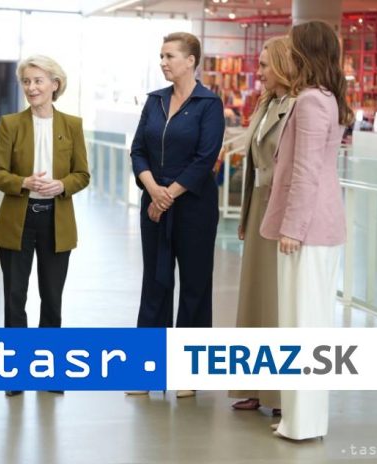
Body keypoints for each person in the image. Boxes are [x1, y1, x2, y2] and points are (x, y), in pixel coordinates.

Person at [260, 21, 352, 441]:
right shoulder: (323, 97)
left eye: (294, 47)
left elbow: (306, 171)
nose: (289, 53)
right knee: (302, 325)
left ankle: (304, 422)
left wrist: (293, 228)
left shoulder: (313, 101)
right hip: (315, 226)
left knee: (304, 326)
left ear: (306, 53)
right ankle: (298, 419)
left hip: (309, 229)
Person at [0, 55, 90, 397]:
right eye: (27, 82)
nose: (31, 88)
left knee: (52, 297)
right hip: (18, 221)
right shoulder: (10, 124)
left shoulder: (72, 125)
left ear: (54, 84)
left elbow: (82, 174)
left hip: (56, 220)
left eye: (38, 81)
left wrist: (62, 185)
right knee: (14, 297)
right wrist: (23, 182)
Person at [128, 32, 224, 398]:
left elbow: (205, 158)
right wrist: (153, 189)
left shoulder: (209, 104)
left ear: (191, 60)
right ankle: (146, 370)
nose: (163, 62)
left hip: (194, 207)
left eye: (170, 56)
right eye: (162, 56)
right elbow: (138, 150)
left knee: (195, 286)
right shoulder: (154, 101)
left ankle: (189, 372)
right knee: (155, 283)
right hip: (154, 205)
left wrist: (168, 194)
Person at [229, 37, 295, 414]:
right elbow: (254, 167)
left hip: (280, 211)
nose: (260, 71)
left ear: (285, 65)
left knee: (275, 301)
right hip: (259, 209)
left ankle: (279, 394)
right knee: (253, 297)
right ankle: (253, 386)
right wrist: (245, 215)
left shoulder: (297, 106)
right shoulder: (266, 105)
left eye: (266, 64)